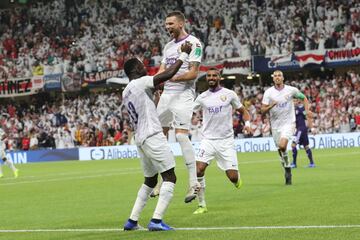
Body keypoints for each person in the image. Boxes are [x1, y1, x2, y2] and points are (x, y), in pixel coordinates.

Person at [121, 42, 192, 231]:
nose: (144, 66)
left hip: (140, 138)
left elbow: (146, 99)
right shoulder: (141, 82)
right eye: (141, 65)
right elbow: (166, 76)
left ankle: (132, 220)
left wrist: (155, 93)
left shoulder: (126, 90)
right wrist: (183, 55)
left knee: (150, 180)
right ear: (136, 68)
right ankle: (157, 220)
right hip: (152, 134)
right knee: (170, 176)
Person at [154, 11, 203, 203]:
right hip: (166, 95)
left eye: (170, 24)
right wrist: (156, 82)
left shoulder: (194, 43)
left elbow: (193, 73)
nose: (167, 27)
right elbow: (161, 71)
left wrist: (172, 77)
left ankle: (193, 183)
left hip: (183, 94)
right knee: (158, 137)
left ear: (181, 24)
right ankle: (161, 181)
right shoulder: (167, 46)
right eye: (166, 24)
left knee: (181, 136)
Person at [192, 68, 252, 214]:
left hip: (226, 141)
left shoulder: (229, 94)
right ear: (206, 78)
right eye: (209, 76)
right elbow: (189, 111)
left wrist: (248, 125)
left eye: (214, 75)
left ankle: (237, 179)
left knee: (232, 177)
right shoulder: (201, 97)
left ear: (219, 77)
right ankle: (202, 205)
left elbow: (243, 111)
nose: (211, 78)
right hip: (208, 140)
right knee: (198, 169)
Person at [261, 70, 312, 185]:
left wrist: (307, 110)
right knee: (280, 149)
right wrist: (271, 106)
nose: (277, 77)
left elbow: (304, 98)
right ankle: (287, 167)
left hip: (289, 123)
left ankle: (288, 168)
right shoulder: (268, 93)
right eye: (275, 76)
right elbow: (262, 110)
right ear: (273, 79)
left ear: (283, 78)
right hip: (275, 126)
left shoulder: (291, 90)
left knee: (283, 145)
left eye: (279, 75)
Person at [291, 99, 315, 168]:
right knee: (306, 146)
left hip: (300, 130)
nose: (294, 102)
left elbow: (307, 116)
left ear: (298, 101)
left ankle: (294, 164)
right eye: (293, 101)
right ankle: (312, 163)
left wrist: (312, 127)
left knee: (293, 145)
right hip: (302, 130)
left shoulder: (301, 108)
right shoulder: (293, 110)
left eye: (295, 101)